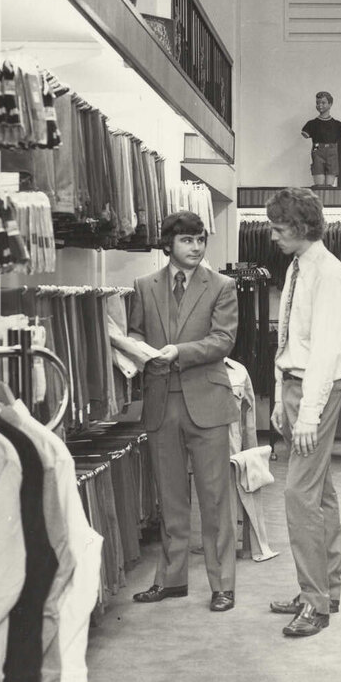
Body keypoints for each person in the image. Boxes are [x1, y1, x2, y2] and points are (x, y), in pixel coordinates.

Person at [114, 211, 241, 612]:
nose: (197, 247)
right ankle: (171, 580)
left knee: (215, 498)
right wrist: (132, 350)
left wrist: (179, 352)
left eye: (201, 239)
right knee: (169, 497)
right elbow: (135, 332)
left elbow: (223, 340)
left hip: (206, 400)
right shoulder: (143, 286)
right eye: (188, 240)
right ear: (168, 244)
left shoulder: (222, 286)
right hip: (160, 400)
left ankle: (223, 585)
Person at [264, 188, 341, 638]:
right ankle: (327, 590)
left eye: (279, 228)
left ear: (300, 228)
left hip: (317, 389)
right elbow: (287, 339)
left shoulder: (329, 274)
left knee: (299, 495)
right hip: (298, 386)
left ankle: (315, 603)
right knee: (320, 493)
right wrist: (281, 396)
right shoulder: (297, 266)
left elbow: (324, 352)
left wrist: (307, 415)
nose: (272, 235)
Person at [301, 91, 341, 188]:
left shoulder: (337, 124)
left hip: (332, 153)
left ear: (330, 104)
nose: (320, 105)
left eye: (323, 102)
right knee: (319, 185)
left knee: (330, 186)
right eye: (317, 103)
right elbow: (305, 134)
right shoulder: (311, 124)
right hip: (317, 151)